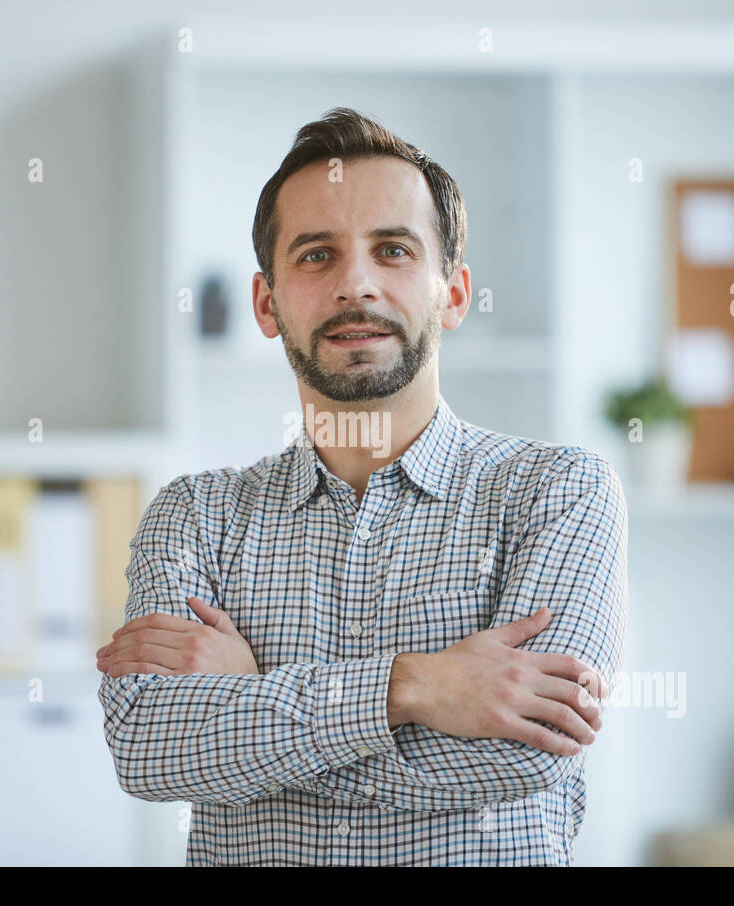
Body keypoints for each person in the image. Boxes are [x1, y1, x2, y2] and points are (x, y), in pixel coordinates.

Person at [98, 107, 628, 866]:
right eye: (316, 255)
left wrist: (257, 704)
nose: (356, 284)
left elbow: (527, 755)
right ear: (266, 303)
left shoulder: (559, 491)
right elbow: (150, 750)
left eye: (393, 250)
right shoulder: (195, 514)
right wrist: (413, 689)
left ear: (453, 292)